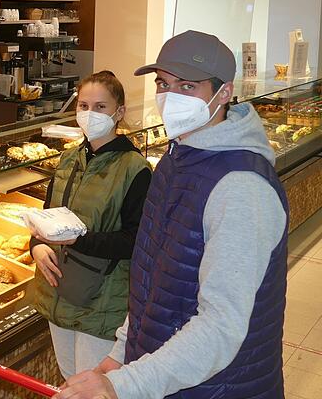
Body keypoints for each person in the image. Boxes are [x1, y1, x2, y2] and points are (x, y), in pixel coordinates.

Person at [54, 30, 288, 399]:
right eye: (163, 83)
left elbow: (221, 327)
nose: (169, 97)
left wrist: (125, 384)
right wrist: (121, 354)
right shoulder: (177, 159)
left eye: (187, 86)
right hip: (168, 375)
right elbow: (153, 277)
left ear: (223, 93)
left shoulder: (242, 186)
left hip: (218, 387)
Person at [31, 71, 151, 381]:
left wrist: (76, 240)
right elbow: (48, 214)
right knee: (69, 378)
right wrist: (38, 246)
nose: (89, 114)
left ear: (119, 112)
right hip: (59, 289)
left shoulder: (135, 169)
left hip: (102, 300)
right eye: (83, 106)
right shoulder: (69, 159)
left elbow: (134, 241)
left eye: (100, 107)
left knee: (92, 384)